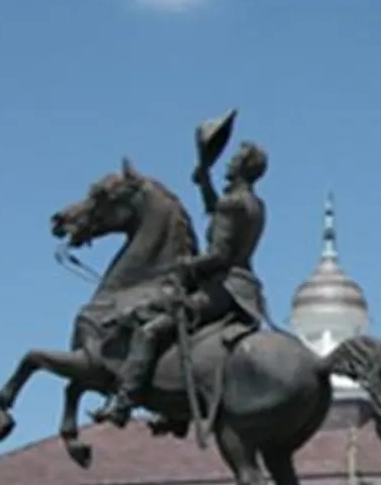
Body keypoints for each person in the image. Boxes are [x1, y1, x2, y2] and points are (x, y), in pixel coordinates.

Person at [100, 119, 269, 428]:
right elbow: (219, 215)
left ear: (242, 167)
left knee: (151, 328)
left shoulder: (233, 203)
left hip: (221, 287)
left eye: (234, 160)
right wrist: (204, 181)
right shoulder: (255, 204)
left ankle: (126, 400)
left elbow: (220, 254)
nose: (228, 163)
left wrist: (186, 265)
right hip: (246, 287)